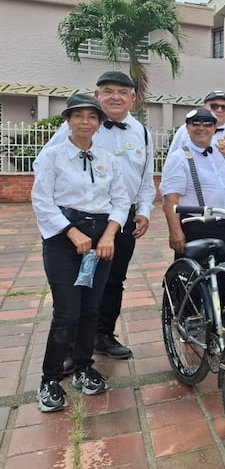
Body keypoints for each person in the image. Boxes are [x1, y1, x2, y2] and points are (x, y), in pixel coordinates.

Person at [40, 70, 155, 364]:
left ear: (132, 98)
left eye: (122, 92)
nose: (115, 97)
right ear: (97, 95)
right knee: (78, 284)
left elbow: (145, 177)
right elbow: (46, 168)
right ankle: (70, 349)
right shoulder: (79, 125)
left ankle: (103, 335)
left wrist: (143, 210)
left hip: (121, 219)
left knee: (114, 280)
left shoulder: (141, 132)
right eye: (108, 91)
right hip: (79, 221)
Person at [32, 93, 131, 412]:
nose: (85, 122)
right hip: (64, 239)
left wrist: (109, 236)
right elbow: (42, 200)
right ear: (68, 121)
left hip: (101, 240)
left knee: (91, 308)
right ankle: (50, 379)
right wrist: (71, 232)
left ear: (99, 124)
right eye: (79, 116)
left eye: (92, 117)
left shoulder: (109, 159)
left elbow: (121, 201)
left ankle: (83, 368)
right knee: (67, 310)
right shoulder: (53, 156)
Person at [159, 108, 225, 329]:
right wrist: (175, 231)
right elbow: (170, 198)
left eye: (207, 123)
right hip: (196, 225)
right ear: (187, 128)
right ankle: (188, 315)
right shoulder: (179, 157)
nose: (202, 127)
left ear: (214, 128)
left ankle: (218, 309)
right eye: (196, 123)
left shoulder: (221, 153)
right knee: (192, 274)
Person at [168, 90, 225, 157]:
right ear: (204, 107)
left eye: (224, 108)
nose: (219, 110)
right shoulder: (185, 130)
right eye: (214, 106)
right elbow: (172, 160)